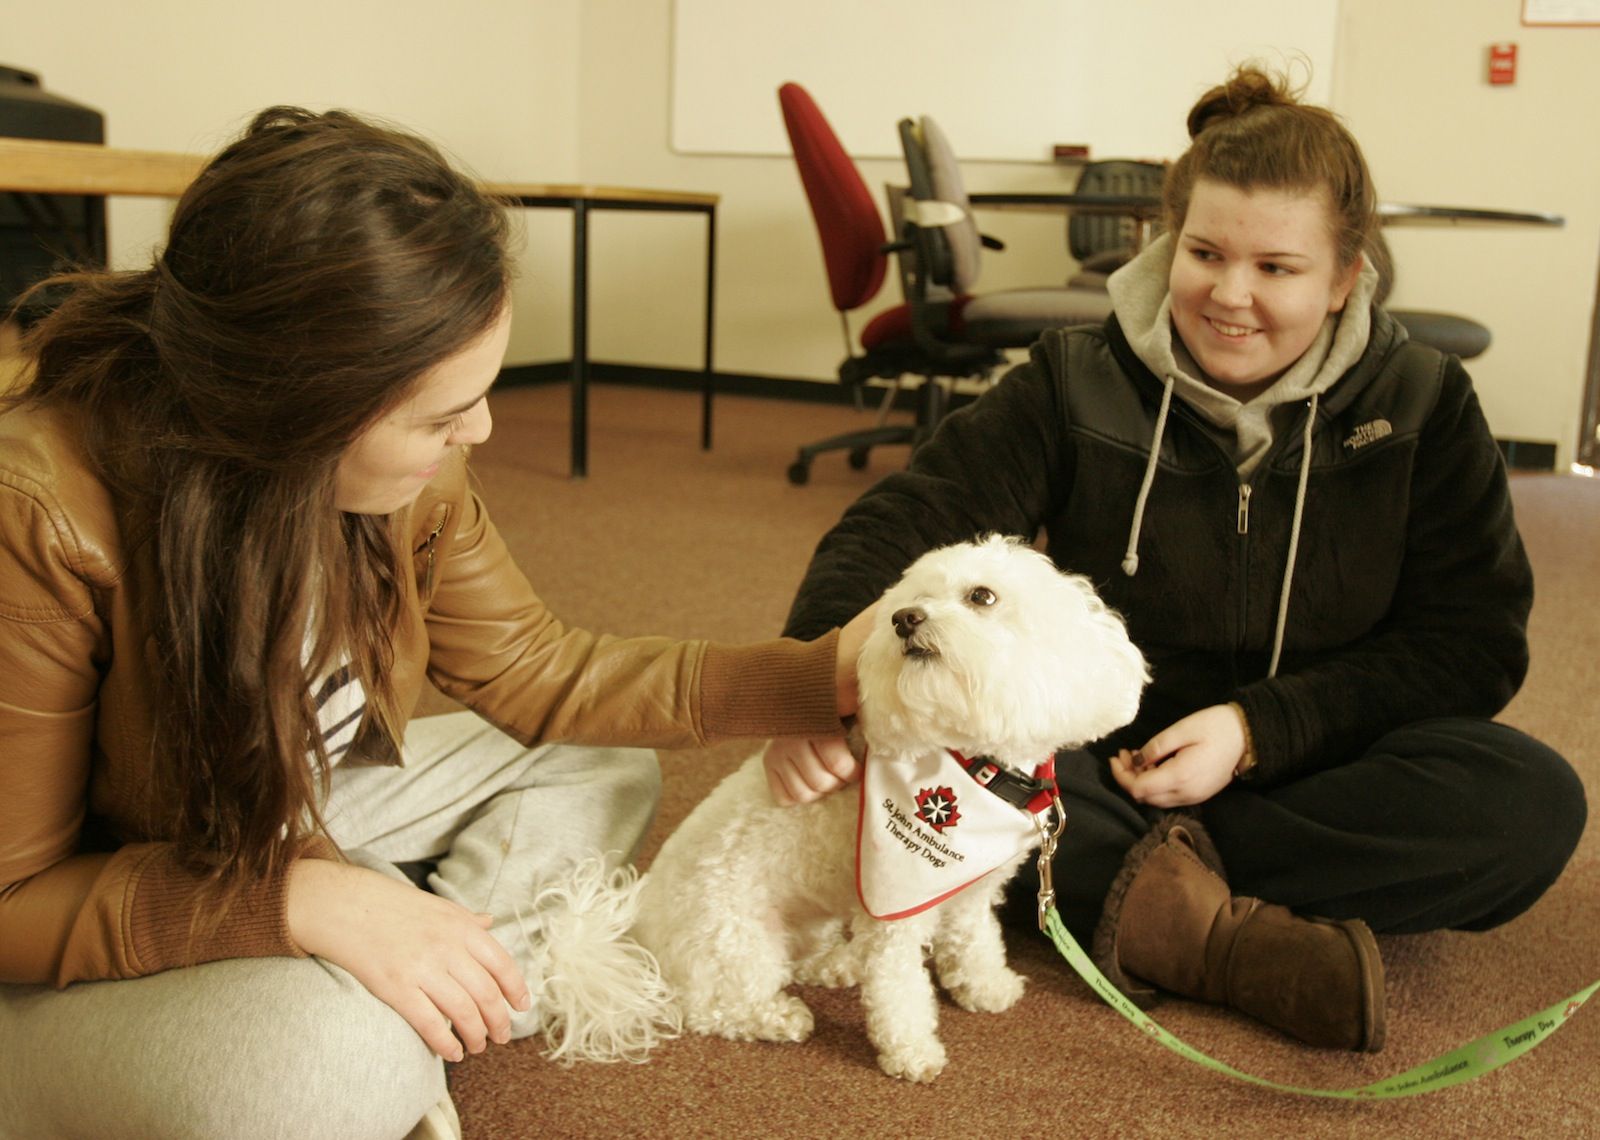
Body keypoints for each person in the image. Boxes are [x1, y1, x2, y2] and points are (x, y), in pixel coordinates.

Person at [0, 107, 870, 1140]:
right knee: (325, 1061)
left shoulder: (413, 478)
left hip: (277, 807)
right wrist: (294, 902)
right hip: (89, 909)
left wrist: (823, 678)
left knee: (604, 769)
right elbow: (17, 900)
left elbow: (544, 672)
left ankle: (426, 972)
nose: (481, 430)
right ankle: (387, 998)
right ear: (299, 405)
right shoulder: (38, 511)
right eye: (439, 413)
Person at [764, 66, 1586, 1055]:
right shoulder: (1073, 378)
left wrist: (1254, 730)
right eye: (1203, 253)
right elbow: (901, 524)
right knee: (954, 758)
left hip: (1312, 761)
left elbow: (1470, 644)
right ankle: (1216, 939)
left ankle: (1146, 901)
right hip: (1104, 766)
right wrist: (814, 679)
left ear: (1343, 276)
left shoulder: (1423, 402)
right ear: (1168, 241)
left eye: (1276, 269)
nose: (1228, 297)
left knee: (1526, 804)